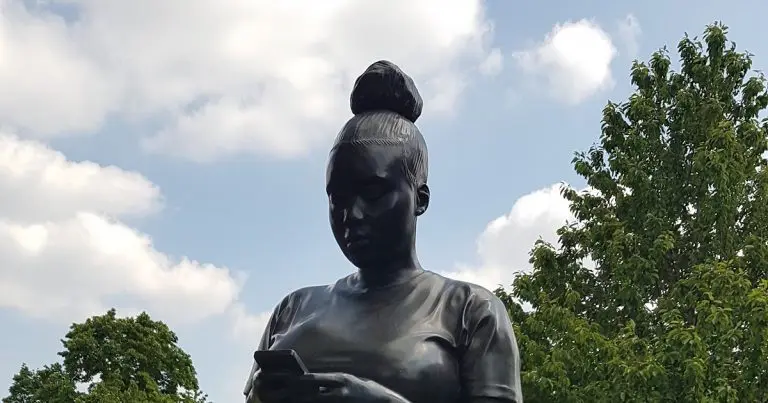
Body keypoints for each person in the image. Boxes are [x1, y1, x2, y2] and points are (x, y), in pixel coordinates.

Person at [245, 60, 522, 403]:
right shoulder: (293, 309)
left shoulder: (470, 311)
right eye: (338, 198)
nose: (352, 214)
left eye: (373, 193)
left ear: (420, 198)